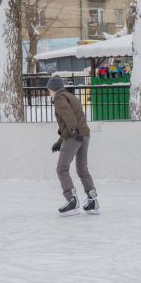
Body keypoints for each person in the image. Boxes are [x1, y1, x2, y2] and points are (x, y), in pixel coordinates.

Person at [47, 75, 99, 216]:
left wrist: (73, 131)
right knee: (82, 169)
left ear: (53, 89)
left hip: (74, 136)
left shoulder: (59, 98)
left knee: (62, 169)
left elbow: (68, 116)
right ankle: (92, 199)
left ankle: (71, 199)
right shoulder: (71, 96)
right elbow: (72, 118)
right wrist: (59, 143)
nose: (49, 93)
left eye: (49, 90)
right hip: (85, 135)